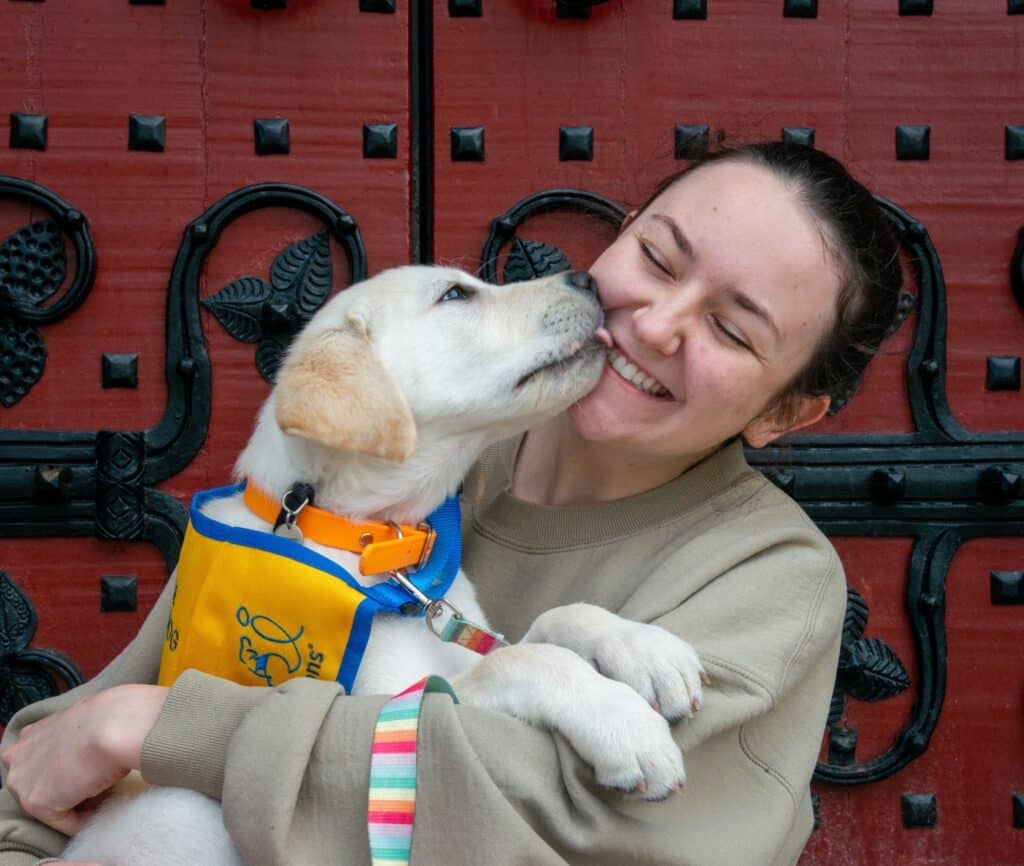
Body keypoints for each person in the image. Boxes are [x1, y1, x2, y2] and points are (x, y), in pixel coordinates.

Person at [0, 140, 903, 866]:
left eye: (731, 329)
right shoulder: (402, 458)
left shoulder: (771, 579)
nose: (656, 324)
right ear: (620, 234)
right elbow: (67, 753)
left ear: (787, 414)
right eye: (657, 258)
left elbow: (541, 808)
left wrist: (170, 730)